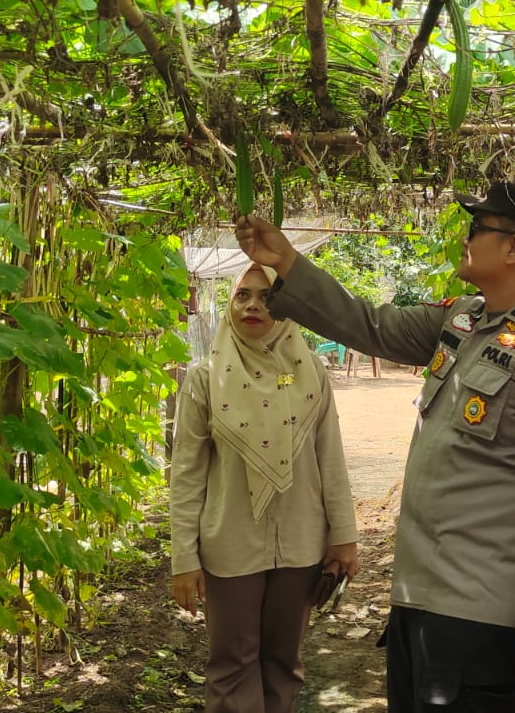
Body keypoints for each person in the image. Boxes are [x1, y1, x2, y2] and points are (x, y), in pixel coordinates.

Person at [236, 182, 515, 712]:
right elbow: (368, 324)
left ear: (514, 248)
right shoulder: (459, 321)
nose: (466, 238)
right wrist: (287, 261)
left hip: (481, 617)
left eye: (477, 228)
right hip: (417, 603)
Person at [170, 263, 360, 713]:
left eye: (267, 296)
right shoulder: (205, 379)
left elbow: (330, 458)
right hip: (230, 544)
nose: (253, 305)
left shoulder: (310, 374)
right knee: (231, 667)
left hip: (300, 542)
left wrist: (344, 536)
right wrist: (184, 558)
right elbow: (187, 475)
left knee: (283, 664)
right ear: (230, 305)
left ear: (287, 308)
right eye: (243, 295)